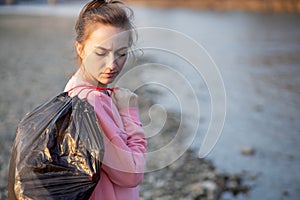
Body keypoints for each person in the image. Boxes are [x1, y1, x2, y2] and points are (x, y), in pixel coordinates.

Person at [64, 0, 147, 199]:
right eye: (101, 52)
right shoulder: (91, 102)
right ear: (80, 48)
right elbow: (131, 174)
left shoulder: (73, 88)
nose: (112, 65)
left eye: (122, 53)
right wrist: (129, 113)